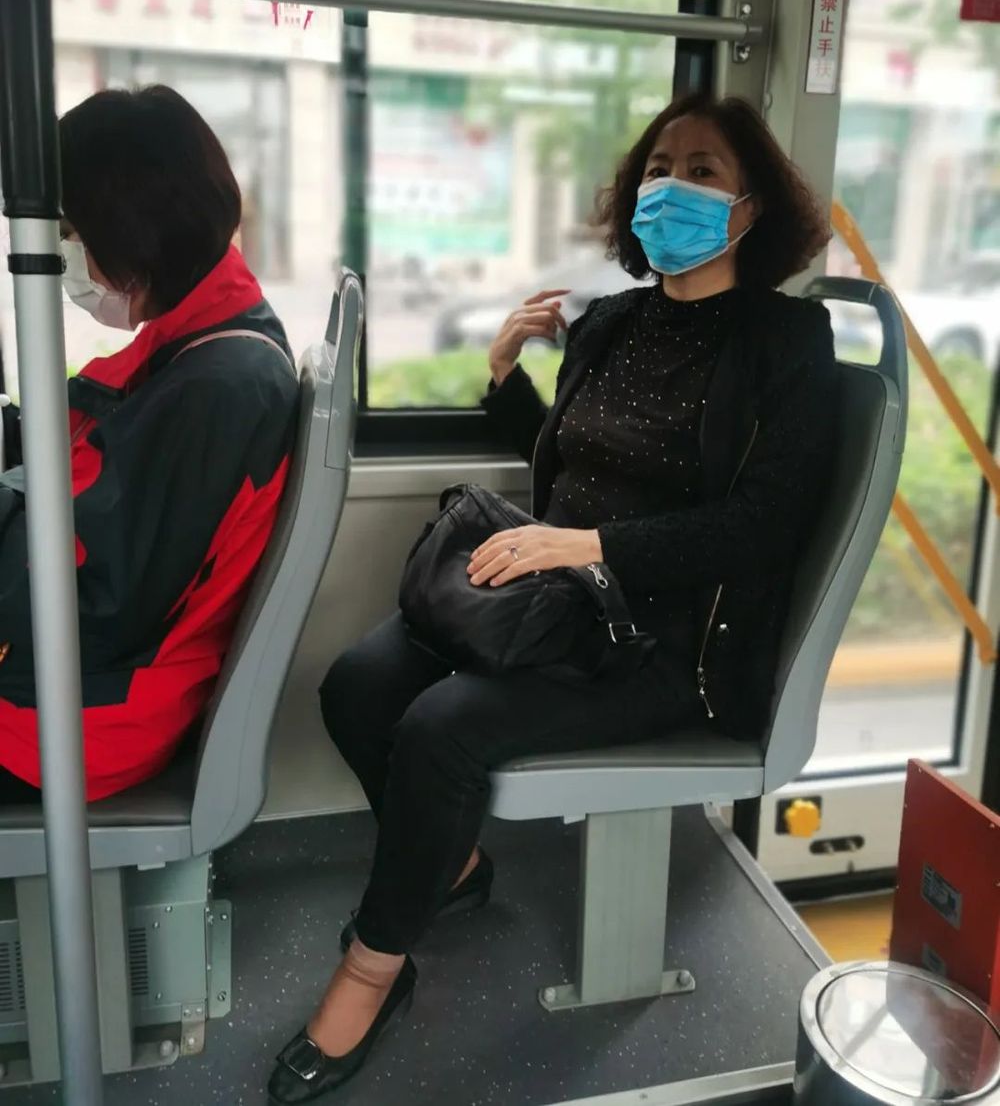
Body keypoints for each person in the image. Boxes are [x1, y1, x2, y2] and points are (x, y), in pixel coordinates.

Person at [267, 93, 836, 1103]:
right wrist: (503, 379)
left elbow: (762, 524)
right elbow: (576, 460)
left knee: (440, 729)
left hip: (663, 640)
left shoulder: (787, 341)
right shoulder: (611, 322)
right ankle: (451, 870)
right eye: (659, 166)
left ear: (750, 209)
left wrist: (588, 545)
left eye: (702, 171)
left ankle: (373, 973)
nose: (670, 187)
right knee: (355, 687)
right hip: (556, 602)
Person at [0, 85, 299, 805]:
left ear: (130, 232)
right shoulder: (199, 337)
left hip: (82, 718)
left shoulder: (219, 388)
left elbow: (97, 610)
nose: (65, 252)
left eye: (72, 231)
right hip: (83, 686)